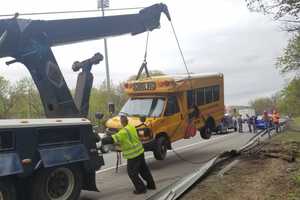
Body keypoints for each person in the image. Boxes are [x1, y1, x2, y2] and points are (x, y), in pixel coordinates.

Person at [102, 115, 156, 194]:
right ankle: (151, 185)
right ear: (127, 121)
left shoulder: (123, 132)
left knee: (132, 173)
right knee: (144, 170)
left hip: (133, 156)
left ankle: (141, 189)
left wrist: (102, 140)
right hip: (140, 152)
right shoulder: (131, 127)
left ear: (122, 122)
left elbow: (112, 139)